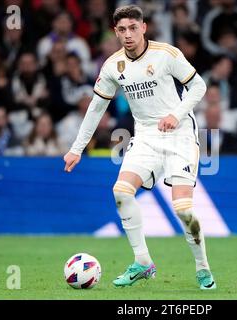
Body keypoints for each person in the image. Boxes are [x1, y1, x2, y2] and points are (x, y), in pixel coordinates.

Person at [63, 5, 215, 290]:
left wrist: (176, 114)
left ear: (144, 27)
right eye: (122, 30)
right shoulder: (112, 66)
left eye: (133, 28)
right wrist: (76, 148)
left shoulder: (166, 54)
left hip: (179, 133)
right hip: (145, 136)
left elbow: (199, 87)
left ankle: (202, 267)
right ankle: (143, 262)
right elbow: (97, 108)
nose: (128, 34)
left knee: (183, 209)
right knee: (120, 191)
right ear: (116, 32)